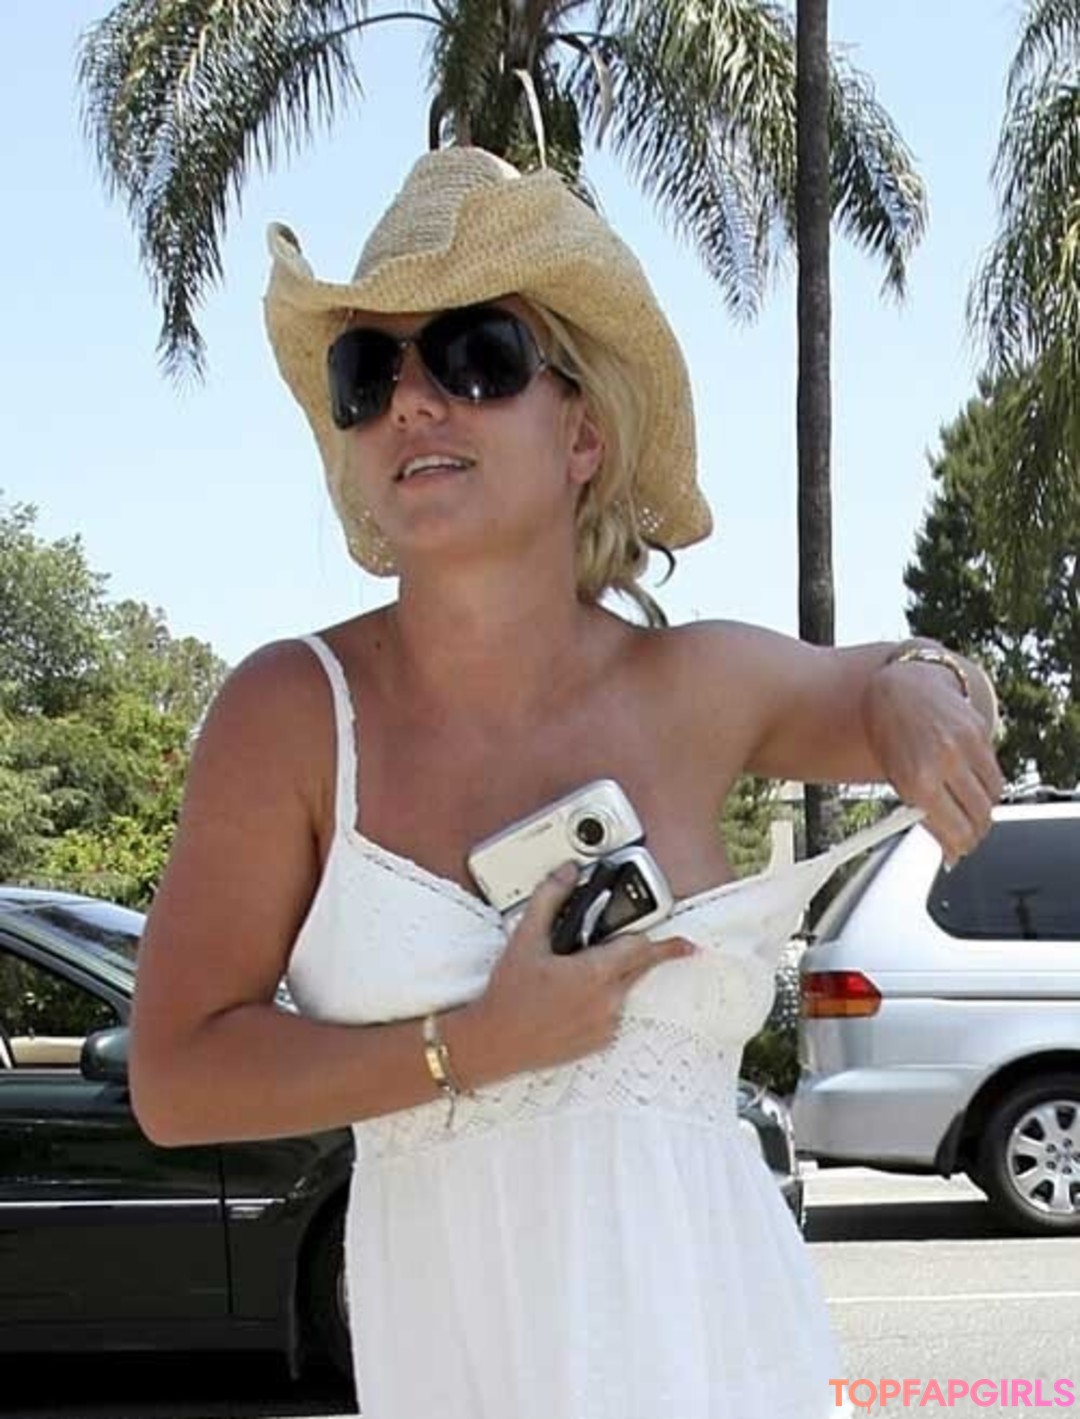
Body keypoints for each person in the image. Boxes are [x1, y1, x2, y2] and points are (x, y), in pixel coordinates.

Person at [130, 146, 1004, 1418]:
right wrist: (469, 1049)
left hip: (727, 1355)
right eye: (368, 373)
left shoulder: (697, 683)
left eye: (474, 356)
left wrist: (922, 687)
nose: (413, 402)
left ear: (583, 433)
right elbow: (176, 1078)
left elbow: (884, 684)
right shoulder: (292, 714)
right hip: (468, 1366)